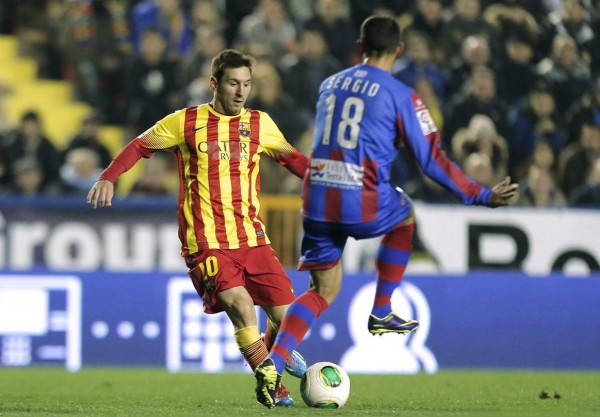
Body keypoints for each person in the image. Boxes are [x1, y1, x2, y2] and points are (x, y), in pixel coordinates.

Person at [254, 16, 519, 408]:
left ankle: (272, 363)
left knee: (321, 290)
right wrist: (480, 194)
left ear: (359, 45)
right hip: (358, 194)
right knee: (406, 213)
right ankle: (381, 309)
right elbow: (431, 161)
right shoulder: (402, 95)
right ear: (399, 49)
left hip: (315, 191)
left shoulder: (330, 84)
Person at [87, 49, 308, 407]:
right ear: (214, 83)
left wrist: (327, 179)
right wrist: (110, 176)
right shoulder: (184, 122)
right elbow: (139, 146)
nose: (241, 92)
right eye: (234, 83)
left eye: (247, 84)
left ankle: (269, 349)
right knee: (239, 304)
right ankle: (268, 376)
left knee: (288, 320)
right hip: (205, 242)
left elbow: (292, 159)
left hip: (253, 238)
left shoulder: (260, 123)